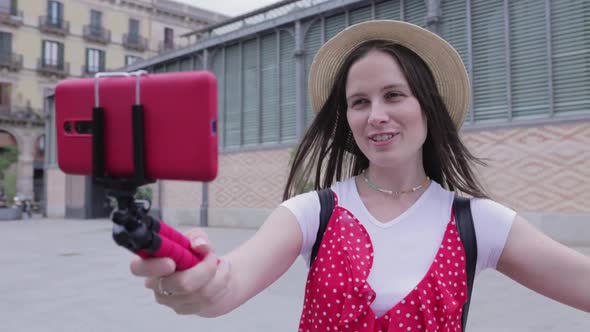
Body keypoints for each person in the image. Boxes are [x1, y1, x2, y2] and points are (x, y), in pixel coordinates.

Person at [129, 20, 590, 331]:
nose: (377, 116)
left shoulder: (477, 222)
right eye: (360, 102)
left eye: (394, 95)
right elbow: (226, 286)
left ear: (428, 107)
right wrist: (194, 277)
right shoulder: (313, 212)